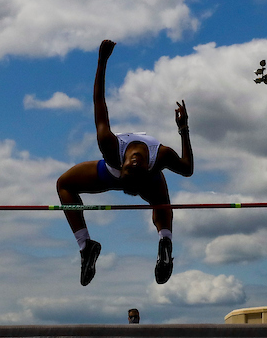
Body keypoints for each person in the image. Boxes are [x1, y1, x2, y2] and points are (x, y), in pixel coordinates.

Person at [56, 40, 194, 286]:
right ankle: (86, 246)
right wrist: (183, 130)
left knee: (161, 201)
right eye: (133, 164)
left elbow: (99, 102)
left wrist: (101, 61)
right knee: (64, 184)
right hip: (116, 174)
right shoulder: (156, 156)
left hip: (135, 178)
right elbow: (187, 168)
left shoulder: (112, 147)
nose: (134, 161)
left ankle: (164, 242)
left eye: (133, 164)